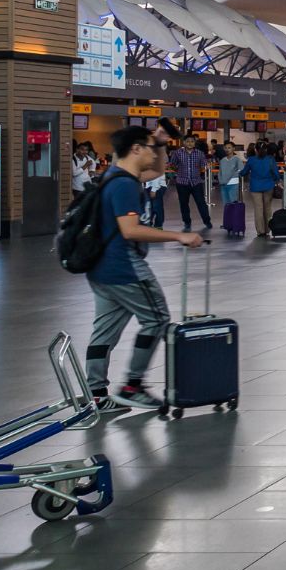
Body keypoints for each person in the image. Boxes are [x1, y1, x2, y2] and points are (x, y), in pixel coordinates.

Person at [84, 124, 206, 412]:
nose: (154, 154)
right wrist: (179, 235)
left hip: (100, 268)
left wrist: (161, 143)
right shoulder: (125, 184)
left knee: (104, 331)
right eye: (150, 148)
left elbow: (159, 171)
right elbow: (130, 230)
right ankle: (133, 386)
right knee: (157, 318)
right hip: (125, 267)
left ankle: (97, 394)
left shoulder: (114, 176)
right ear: (136, 149)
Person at [167, 135, 213, 232]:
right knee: (184, 204)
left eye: (192, 141)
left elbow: (203, 164)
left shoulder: (200, 153)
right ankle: (187, 222)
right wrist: (177, 171)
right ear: (184, 142)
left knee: (201, 203)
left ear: (194, 143)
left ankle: (207, 221)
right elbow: (172, 165)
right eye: (187, 141)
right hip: (182, 183)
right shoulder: (178, 153)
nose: (190, 143)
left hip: (196, 183)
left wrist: (206, 165)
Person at [243, 142, 279, 237]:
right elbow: (275, 173)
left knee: (258, 208)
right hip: (268, 186)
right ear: (266, 150)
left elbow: (244, 172)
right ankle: (268, 229)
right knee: (267, 208)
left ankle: (260, 231)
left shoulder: (251, 159)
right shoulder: (270, 159)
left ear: (255, 150)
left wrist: (240, 173)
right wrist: (277, 181)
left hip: (255, 187)